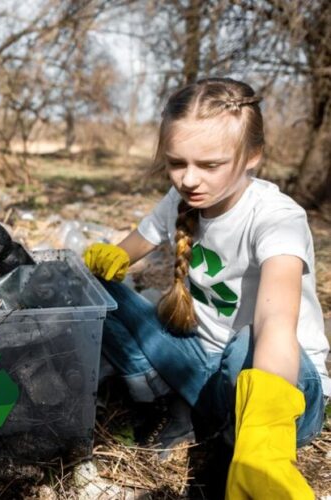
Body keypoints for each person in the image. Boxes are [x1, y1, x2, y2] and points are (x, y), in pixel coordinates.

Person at [84, 77, 329, 498]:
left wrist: (267, 439)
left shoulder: (276, 218)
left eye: (209, 165)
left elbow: (275, 322)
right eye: (177, 163)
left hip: (278, 393)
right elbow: (133, 245)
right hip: (205, 368)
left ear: (253, 155)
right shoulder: (183, 199)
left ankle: (245, 451)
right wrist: (111, 259)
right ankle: (165, 397)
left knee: (247, 340)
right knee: (95, 291)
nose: (189, 180)